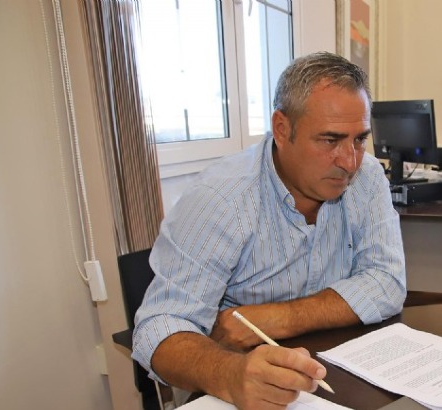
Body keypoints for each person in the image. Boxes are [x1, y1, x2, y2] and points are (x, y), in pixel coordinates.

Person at [132, 52, 406, 409]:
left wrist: (277, 318)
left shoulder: (367, 178)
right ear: (281, 129)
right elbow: (158, 327)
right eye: (329, 140)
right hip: (236, 388)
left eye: (359, 139)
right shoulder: (221, 199)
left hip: (334, 376)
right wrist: (228, 373)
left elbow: (387, 281)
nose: (350, 161)